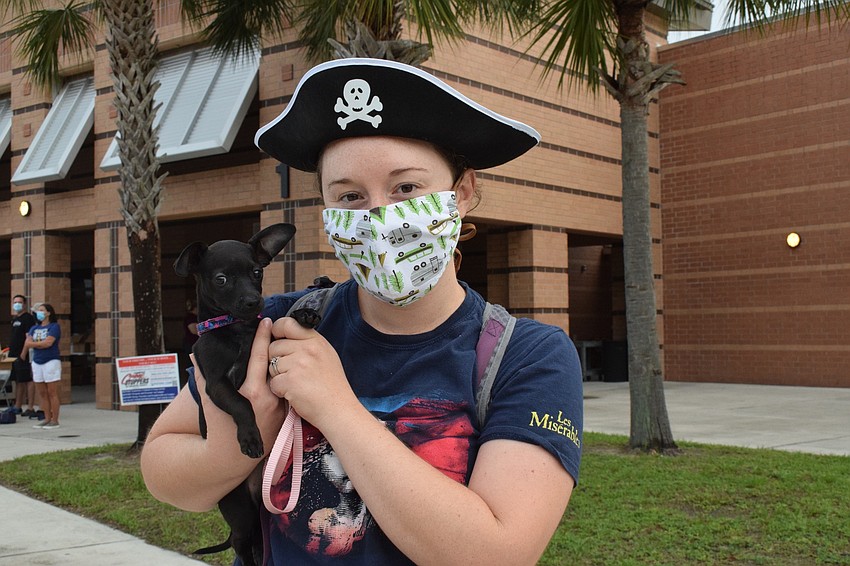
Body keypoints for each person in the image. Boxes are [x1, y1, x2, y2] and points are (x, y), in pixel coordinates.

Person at [141, 58, 583, 565]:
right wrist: (238, 441)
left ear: (460, 192)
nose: (377, 216)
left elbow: (499, 555)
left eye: (406, 188)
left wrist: (335, 407)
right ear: (328, 213)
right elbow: (162, 468)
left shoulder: (526, 357)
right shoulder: (273, 326)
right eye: (350, 195)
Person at [23, 303, 62, 430]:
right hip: (37, 361)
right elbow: (27, 342)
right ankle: (46, 418)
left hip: (51, 361)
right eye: (38, 311)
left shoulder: (54, 326)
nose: (39, 313)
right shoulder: (34, 328)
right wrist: (38, 344)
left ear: (48, 313)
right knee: (42, 392)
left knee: (52, 392)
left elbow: (49, 343)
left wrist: (34, 344)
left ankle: (55, 420)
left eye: (42, 310)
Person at [4, 295, 37, 416]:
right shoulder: (14, 319)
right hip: (14, 355)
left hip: (24, 355)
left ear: (24, 304)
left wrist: (24, 353)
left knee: (28, 380)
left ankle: (30, 407)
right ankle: (17, 405)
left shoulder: (27, 318)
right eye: (15, 302)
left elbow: (29, 337)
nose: (17, 304)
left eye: (19, 302)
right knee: (18, 381)